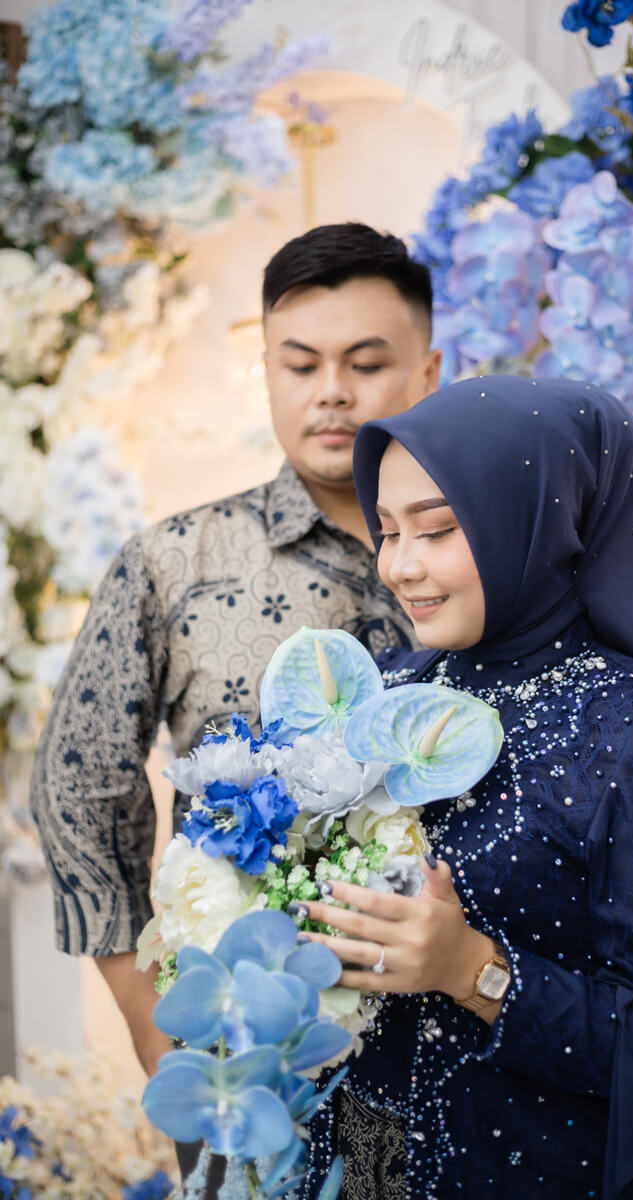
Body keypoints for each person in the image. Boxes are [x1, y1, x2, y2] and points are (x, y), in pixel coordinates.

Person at [293, 375, 633, 1199]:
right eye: (387, 530)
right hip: (346, 1169)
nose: (400, 565)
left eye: (436, 528)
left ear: (539, 520)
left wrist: (473, 969)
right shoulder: (386, 688)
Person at [29, 222, 440, 1091]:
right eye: (301, 365)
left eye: (367, 364)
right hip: (252, 1056)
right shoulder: (175, 561)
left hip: (468, 1046)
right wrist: (148, 1014)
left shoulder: (492, 558)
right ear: (265, 372)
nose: (332, 392)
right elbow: (79, 781)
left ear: (428, 371)